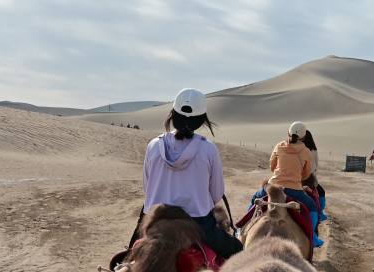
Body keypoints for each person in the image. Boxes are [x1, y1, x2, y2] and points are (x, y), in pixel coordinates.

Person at [132, 88, 242, 260]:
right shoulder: (208, 149)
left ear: (173, 114)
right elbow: (216, 194)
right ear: (201, 120)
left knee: (125, 260)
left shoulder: (153, 145)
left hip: (154, 220)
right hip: (197, 224)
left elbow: (148, 188)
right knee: (238, 252)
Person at [251, 121, 324, 247]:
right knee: (312, 208)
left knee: (255, 199)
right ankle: (312, 237)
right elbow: (306, 174)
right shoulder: (306, 151)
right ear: (304, 137)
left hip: (273, 186)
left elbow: (272, 166)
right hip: (295, 189)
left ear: (288, 133)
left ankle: (244, 228)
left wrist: (280, 174)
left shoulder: (279, 146)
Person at [302, 130, 327, 221]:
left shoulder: (294, 147)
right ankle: (319, 213)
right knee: (321, 193)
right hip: (308, 178)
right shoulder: (313, 150)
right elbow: (314, 167)